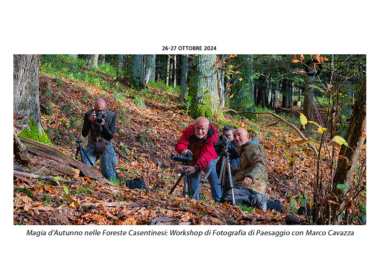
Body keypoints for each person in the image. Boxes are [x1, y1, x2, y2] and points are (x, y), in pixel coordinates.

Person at [175, 117, 222, 201]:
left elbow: (207, 155)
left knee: (212, 172)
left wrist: (196, 167)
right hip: (193, 158)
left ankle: (218, 199)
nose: (200, 131)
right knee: (192, 178)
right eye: (198, 128)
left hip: (208, 159)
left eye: (203, 129)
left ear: (207, 128)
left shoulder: (212, 138)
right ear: (194, 126)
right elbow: (181, 143)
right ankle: (194, 201)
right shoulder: (189, 132)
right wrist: (183, 150)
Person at [228, 128, 269, 211]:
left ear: (247, 136)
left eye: (239, 135)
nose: (236, 138)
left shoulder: (251, 147)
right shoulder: (244, 149)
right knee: (228, 196)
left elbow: (261, 164)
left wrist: (250, 177)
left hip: (253, 188)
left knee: (229, 197)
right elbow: (243, 172)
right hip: (247, 186)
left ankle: (258, 199)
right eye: (234, 136)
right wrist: (229, 168)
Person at [81, 98, 118, 180]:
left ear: (106, 109)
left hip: (106, 146)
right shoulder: (89, 114)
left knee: (109, 176)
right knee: (84, 171)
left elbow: (110, 136)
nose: (101, 113)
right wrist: (89, 121)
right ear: (94, 109)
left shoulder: (111, 116)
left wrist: (104, 125)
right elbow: (84, 134)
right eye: (98, 111)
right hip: (92, 145)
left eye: (103, 110)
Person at [214, 125, 240, 193]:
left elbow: (237, 153)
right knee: (218, 187)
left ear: (233, 135)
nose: (227, 137)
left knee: (229, 190)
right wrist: (220, 143)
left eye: (229, 135)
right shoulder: (222, 142)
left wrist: (229, 145)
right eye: (226, 135)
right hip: (220, 170)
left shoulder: (237, 142)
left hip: (231, 170)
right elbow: (215, 152)